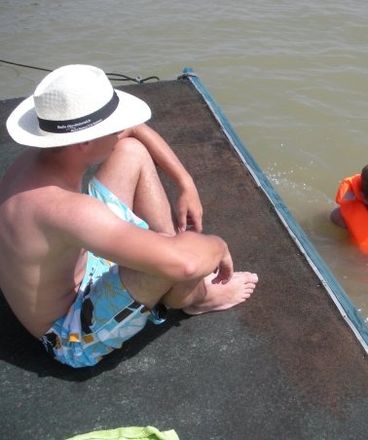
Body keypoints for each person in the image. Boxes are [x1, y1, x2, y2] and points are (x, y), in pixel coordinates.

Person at [0, 64, 258, 368]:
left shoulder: (43, 158)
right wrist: (218, 246)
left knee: (132, 150)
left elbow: (135, 130)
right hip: (68, 331)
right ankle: (197, 298)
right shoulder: (69, 210)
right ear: (85, 142)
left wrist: (185, 183)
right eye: (111, 126)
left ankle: (173, 256)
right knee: (176, 263)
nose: (118, 130)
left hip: (76, 258)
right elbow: (185, 263)